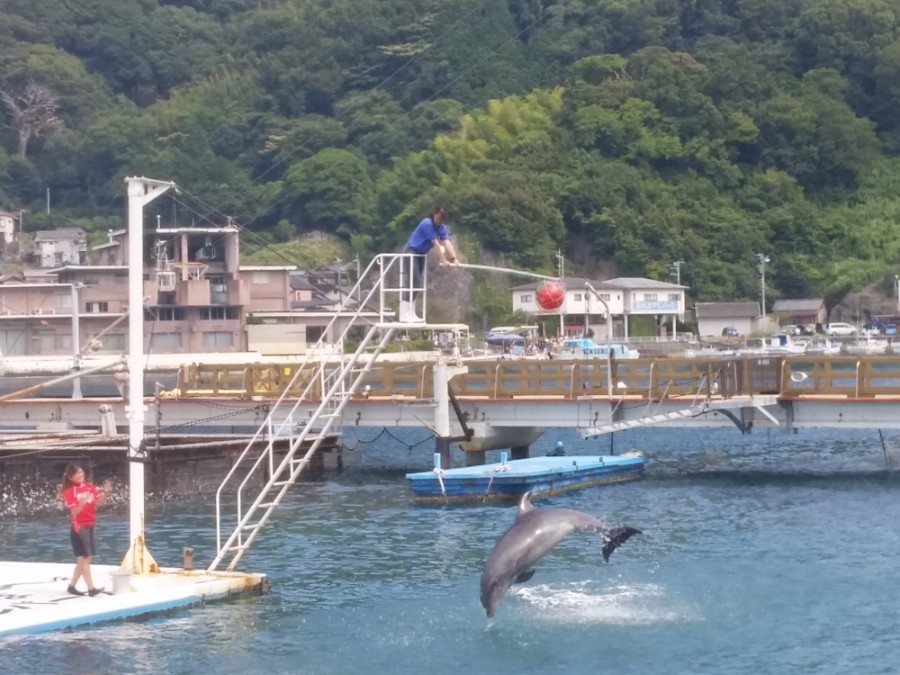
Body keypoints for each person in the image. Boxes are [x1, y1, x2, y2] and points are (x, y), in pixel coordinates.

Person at [58, 463, 112, 596]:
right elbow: (74, 512)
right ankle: (91, 589)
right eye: (77, 474)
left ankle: (72, 587)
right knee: (85, 557)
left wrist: (105, 492)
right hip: (79, 526)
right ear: (70, 477)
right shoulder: (70, 492)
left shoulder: (89, 486)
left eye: (81, 472)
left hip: (90, 524)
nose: (81, 475)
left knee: (84, 558)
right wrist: (81, 503)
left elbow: (100, 502)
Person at [401, 207, 459, 322]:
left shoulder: (441, 228)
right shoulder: (426, 223)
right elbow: (436, 244)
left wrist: (454, 258)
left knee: (416, 284)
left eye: (442, 219)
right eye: (438, 217)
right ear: (434, 214)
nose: (439, 220)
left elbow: (446, 242)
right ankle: (405, 312)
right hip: (411, 253)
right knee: (415, 283)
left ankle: (410, 312)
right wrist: (443, 260)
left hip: (421, 255)